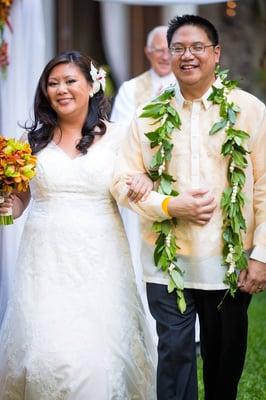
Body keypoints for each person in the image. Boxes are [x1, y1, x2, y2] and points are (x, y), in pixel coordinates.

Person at [111, 14, 266, 400]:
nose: (187, 56)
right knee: (175, 358)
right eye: (178, 48)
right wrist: (167, 204)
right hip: (167, 264)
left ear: (216, 54)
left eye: (198, 47)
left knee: (223, 363)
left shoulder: (249, 110)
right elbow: (120, 181)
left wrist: (261, 254)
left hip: (229, 262)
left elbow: (264, 184)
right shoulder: (149, 115)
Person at [0, 51, 156, 399]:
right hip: (44, 258)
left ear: (91, 84)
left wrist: (144, 180)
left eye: (70, 81)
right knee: (47, 345)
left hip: (100, 255)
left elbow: (138, 178)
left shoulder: (120, 137)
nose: (61, 89)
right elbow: (23, 197)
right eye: (53, 83)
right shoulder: (31, 143)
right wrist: (11, 203)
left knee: (98, 349)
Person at [111, 26, 179, 343]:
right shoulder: (130, 89)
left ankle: (182, 329)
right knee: (142, 254)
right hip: (140, 185)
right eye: (158, 50)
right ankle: (145, 327)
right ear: (148, 53)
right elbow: (122, 135)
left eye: (170, 49)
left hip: (180, 184)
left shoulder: (187, 84)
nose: (165, 56)